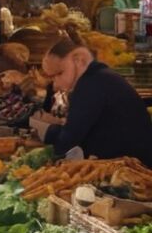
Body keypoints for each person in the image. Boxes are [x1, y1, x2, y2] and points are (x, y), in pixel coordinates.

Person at [30, 38, 152, 166]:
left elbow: (65, 143)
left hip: (135, 170)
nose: (57, 83)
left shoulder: (91, 85)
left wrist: (46, 129)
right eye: (52, 77)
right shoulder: (100, 76)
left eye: (59, 73)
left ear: (78, 60)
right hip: (127, 161)